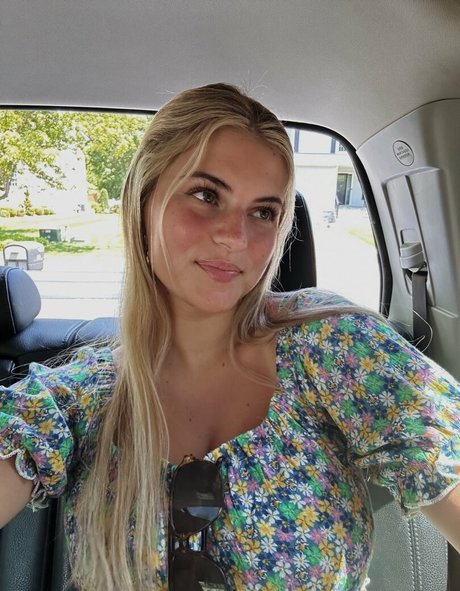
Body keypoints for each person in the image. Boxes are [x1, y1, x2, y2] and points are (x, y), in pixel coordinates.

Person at [0, 83, 459, 591]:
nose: (235, 237)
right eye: (206, 195)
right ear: (143, 201)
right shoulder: (81, 398)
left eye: (263, 212)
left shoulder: (334, 345)